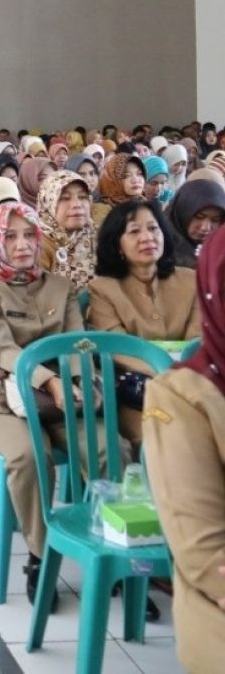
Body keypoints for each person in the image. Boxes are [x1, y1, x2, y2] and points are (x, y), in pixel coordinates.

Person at [0, 202, 94, 608]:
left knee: (111, 448)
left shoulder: (60, 286)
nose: (22, 245)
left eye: (29, 235)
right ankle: (40, 557)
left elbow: (77, 341)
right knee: (27, 454)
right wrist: (49, 379)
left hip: (57, 398)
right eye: (10, 236)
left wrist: (72, 380)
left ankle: (111, 550)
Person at [143, 226, 225, 673]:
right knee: (90, 448)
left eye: (151, 229)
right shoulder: (186, 395)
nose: (144, 238)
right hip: (105, 388)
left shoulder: (179, 280)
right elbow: (207, 551)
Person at [88, 200, 198, 446]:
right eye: (134, 231)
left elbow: (196, 343)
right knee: (166, 438)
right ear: (117, 244)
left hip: (189, 386)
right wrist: (165, 369)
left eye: (153, 228)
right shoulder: (103, 289)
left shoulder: (191, 281)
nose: (147, 237)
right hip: (135, 396)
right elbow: (117, 348)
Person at [35, 170, 96, 290]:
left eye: (83, 197)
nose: (76, 204)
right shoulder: (38, 247)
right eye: (65, 198)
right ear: (48, 204)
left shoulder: (98, 236)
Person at [165, 178, 225, 269]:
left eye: (215, 220)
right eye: (199, 217)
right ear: (182, 212)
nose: (206, 227)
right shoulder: (159, 250)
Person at [92, 153, 146, 227]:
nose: (136, 180)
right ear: (113, 179)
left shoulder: (143, 202)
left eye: (139, 174)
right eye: (126, 175)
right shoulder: (102, 211)